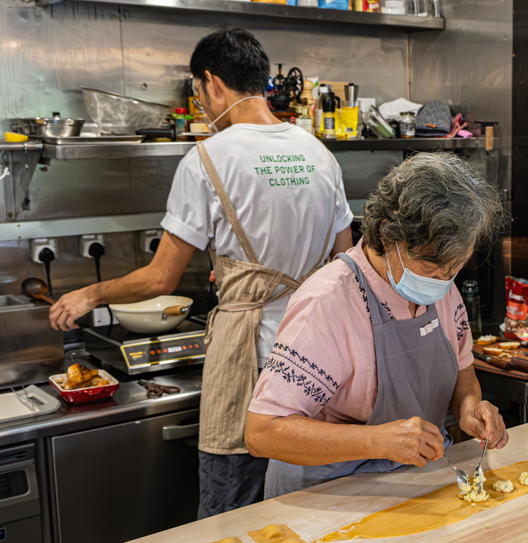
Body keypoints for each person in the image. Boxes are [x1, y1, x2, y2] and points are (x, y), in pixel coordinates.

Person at [48, 28, 354, 516]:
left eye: (198, 93)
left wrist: (89, 294)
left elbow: (159, 280)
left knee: (231, 519)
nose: (203, 107)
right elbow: (345, 264)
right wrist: (251, 277)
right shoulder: (319, 153)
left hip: (249, 361)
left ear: (212, 82)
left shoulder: (206, 159)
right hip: (317, 357)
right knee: (304, 511)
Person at [244, 152, 508, 496]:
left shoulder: (443, 288)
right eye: (430, 268)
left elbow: (464, 380)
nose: (443, 281)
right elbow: (261, 432)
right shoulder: (327, 303)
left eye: (455, 268)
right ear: (387, 234)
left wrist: (472, 409)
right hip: (326, 497)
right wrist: (378, 441)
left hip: (414, 487)